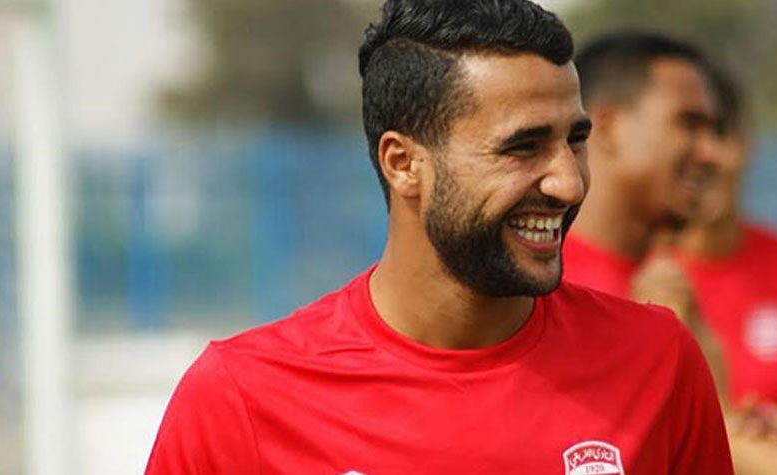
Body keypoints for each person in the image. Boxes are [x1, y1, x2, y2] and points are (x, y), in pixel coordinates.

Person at [145, 2, 733, 473]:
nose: (568, 182)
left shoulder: (657, 360)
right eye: (523, 147)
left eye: (575, 140)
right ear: (403, 163)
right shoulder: (241, 400)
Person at [674, 64, 777, 440]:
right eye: (688, 137)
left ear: (747, 143)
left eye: (719, 133)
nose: (705, 157)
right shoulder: (628, 277)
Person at [562, 31, 721, 298]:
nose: (712, 153)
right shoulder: (524, 291)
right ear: (608, 127)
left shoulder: (686, 289)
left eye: (714, 131)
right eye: (689, 124)